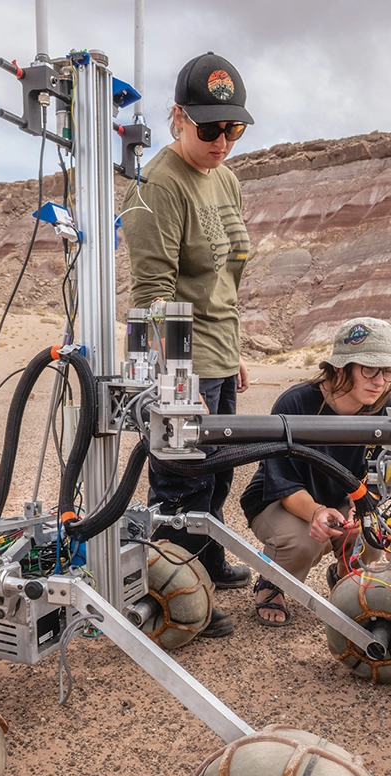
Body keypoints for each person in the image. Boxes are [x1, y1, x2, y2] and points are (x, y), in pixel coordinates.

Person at [121, 52, 254, 638]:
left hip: (221, 352)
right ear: (177, 117)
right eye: (209, 128)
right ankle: (177, 588)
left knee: (220, 472)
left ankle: (208, 559)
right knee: (180, 480)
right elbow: (153, 295)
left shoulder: (225, 178)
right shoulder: (158, 188)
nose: (223, 141)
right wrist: (174, 382)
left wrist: (234, 347)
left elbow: (224, 276)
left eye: (234, 127)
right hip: (184, 362)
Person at [239, 317, 391, 626]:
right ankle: (272, 584)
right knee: (304, 541)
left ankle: (345, 579)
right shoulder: (296, 402)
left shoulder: (385, 408)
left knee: (370, 534)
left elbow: (376, 475)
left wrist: (361, 510)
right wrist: (316, 511)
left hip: (342, 496)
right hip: (278, 499)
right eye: (369, 369)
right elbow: (285, 483)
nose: (380, 381)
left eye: (388, 371)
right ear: (341, 368)